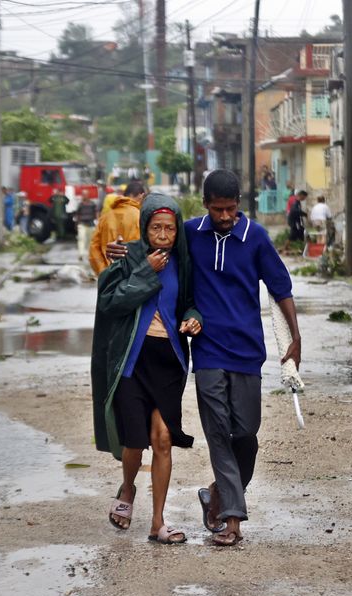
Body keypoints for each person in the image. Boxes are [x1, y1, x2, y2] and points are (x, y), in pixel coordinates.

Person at [107, 169, 300, 547]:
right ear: (205, 205)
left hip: (247, 352)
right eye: (217, 209)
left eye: (230, 209)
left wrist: (296, 338)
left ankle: (216, 494)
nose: (224, 216)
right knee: (217, 435)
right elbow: (153, 244)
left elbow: (281, 288)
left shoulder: (256, 238)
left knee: (246, 433)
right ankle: (232, 520)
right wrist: (123, 253)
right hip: (208, 352)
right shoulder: (192, 234)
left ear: (239, 205)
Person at [91, 193, 203, 545]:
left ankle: (158, 522)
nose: (164, 234)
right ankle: (127, 488)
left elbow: (190, 303)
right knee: (135, 442)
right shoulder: (128, 258)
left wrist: (193, 318)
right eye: (156, 227)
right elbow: (111, 303)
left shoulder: (184, 263)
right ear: (144, 227)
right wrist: (144, 272)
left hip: (168, 361)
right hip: (133, 360)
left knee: (163, 439)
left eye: (170, 228)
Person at [89, 181, 145, 275]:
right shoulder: (140, 217)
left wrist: (103, 272)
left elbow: (94, 249)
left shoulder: (105, 217)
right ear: (141, 196)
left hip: (108, 276)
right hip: (133, 278)